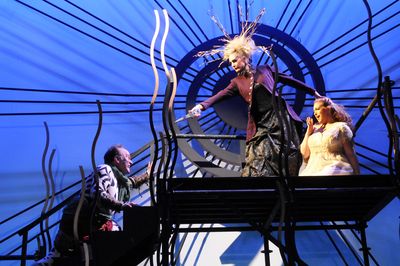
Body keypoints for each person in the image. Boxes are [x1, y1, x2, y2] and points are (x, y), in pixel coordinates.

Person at [190, 30, 321, 177]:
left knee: (283, 155)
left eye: (234, 60)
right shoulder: (236, 82)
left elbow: (289, 80)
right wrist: (201, 106)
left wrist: (313, 92)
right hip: (261, 124)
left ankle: (284, 189)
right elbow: (220, 95)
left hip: (279, 119)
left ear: (245, 57)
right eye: (231, 62)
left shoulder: (265, 70)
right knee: (258, 158)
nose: (232, 65)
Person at [35, 144, 150, 265]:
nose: (131, 161)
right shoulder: (105, 169)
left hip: (94, 221)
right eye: (127, 157)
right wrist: (121, 205)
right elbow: (98, 193)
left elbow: (131, 182)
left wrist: (147, 175)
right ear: (116, 159)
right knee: (59, 257)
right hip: (83, 219)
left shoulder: (119, 180)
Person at [299, 97, 360, 176]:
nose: (315, 113)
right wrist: (308, 132)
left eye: (317, 109)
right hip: (312, 170)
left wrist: (357, 174)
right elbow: (305, 154)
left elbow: (350, 153)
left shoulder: (341, 127)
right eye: (314, 111)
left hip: (335, 168)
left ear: (328, 109)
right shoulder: (314, 129)